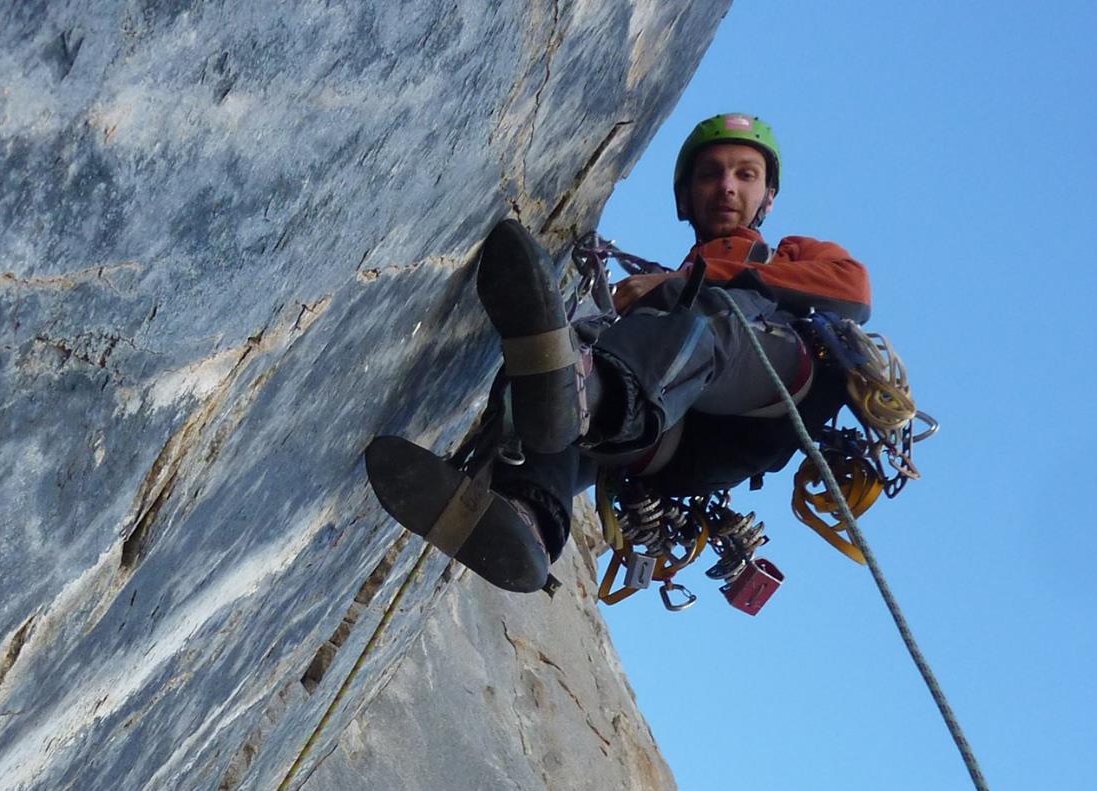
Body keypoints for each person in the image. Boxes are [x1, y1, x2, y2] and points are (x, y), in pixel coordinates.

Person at [369, 113, 873, 593]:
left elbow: (853, 290)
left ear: (767, 197)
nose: (727, 187)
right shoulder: (658, 300)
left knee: (698, 321)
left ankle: (584, 394)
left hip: (767, 386)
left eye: (746, 175)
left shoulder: (791, 254)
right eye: (711, 175)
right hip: (674, 437)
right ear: (685, 197)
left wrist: (688, 282)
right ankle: (530, 521)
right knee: (556, 369)